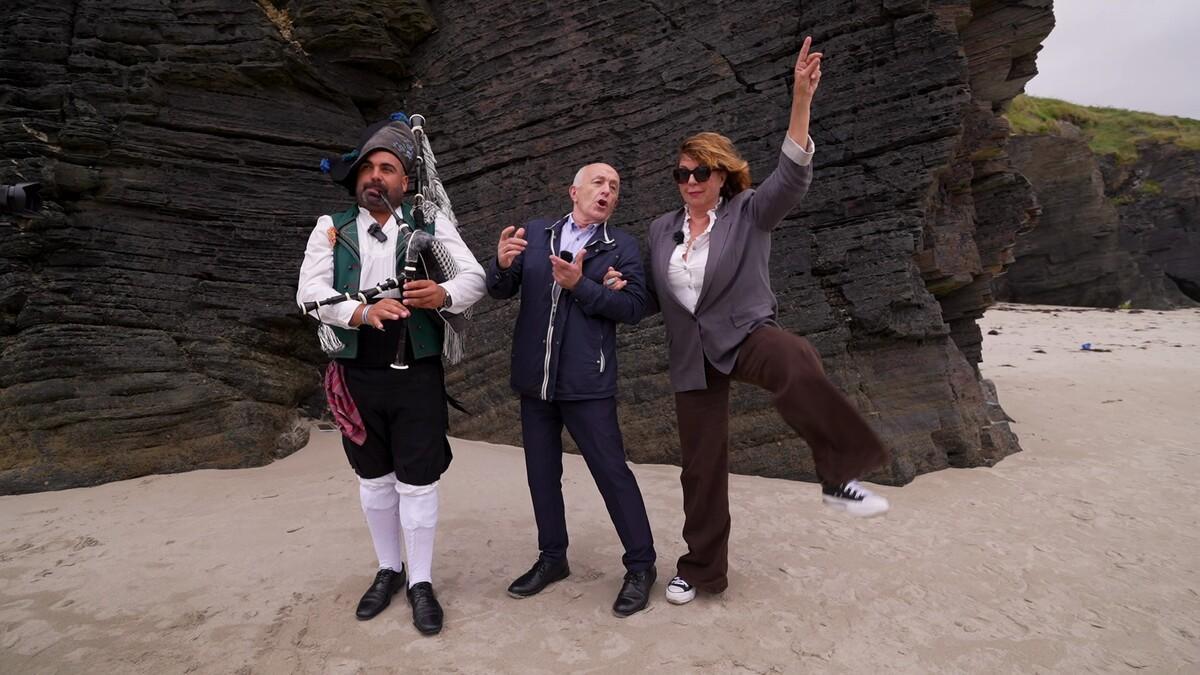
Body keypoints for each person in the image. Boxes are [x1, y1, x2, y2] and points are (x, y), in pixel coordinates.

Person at [605, 38, 890, 606]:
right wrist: (619, 287)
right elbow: (659, 297)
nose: (690, 181)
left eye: (701, 172)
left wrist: (801, 99)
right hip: (692, 356)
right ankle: (701, 570)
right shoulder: (661, 229)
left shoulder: (749, 211)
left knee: (795, 356)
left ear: (722, 175)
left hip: (745, 334)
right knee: (700, 468)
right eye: (682, 173)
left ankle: (839, 475)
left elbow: (793, 176)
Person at [296, 115, 486, 635]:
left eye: (387, 168)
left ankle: (420, 581)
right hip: (356, 370)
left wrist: (442, 293)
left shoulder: (429, 223)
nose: (375, 176)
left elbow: (474, 278)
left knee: (418, 482)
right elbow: (309, 294)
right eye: (367, 168)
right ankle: (389, 569)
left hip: (416, 370)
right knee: (373, 478)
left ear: (405, 181)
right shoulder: (331, 227)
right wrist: (361, 312)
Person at [486, 163, 658, 617]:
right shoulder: (536, 233)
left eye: (615, 187)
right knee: (542, 475)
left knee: (612, 474)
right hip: (536, 381)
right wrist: (501, 264)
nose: (607, 192)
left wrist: (581, 285)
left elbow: (634, 307)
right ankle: (552, 558)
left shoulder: (620, 246)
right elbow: (501, 290)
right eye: (599, 183)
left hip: (587, 382)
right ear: (574, 191)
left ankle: (641, 567)